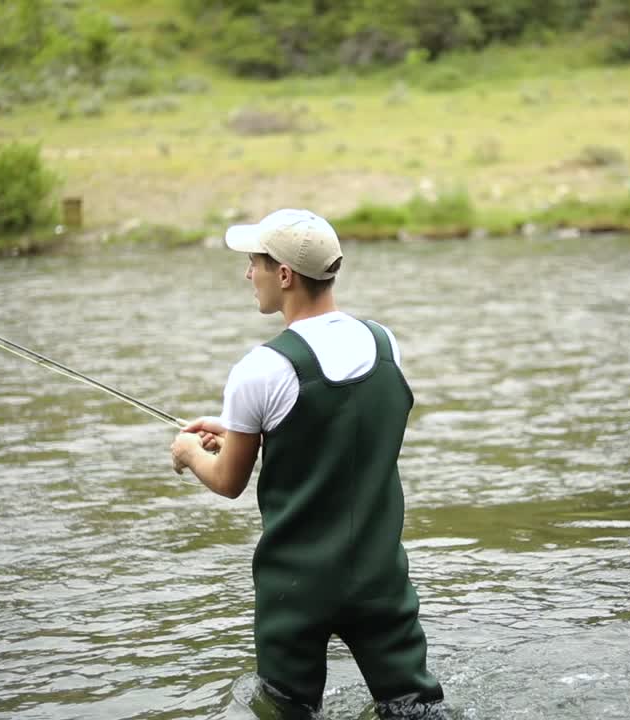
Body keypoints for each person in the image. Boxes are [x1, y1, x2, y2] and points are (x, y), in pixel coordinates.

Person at [169, 209, 447, 719]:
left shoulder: (260, 368)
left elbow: (230, 481)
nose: (247, 274)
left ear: (284, 275)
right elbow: (344, 428)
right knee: (415, 709)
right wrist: (241, 428)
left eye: (254, 262)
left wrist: (190, 452)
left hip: (295, 589)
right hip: (381, 576)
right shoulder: (385, 344)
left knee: (286, 710)